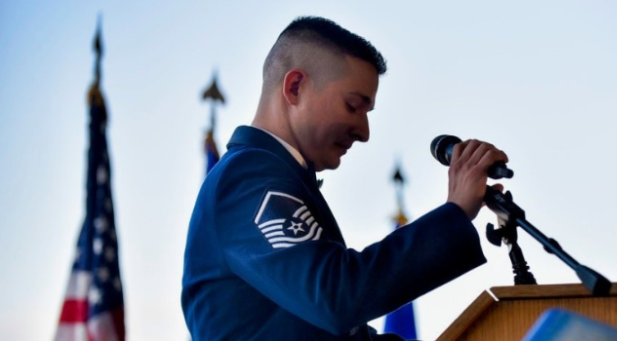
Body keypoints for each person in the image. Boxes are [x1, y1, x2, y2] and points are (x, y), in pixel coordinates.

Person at [181, 16, 508, 340]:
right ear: (295, 87)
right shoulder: (247, 179)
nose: (364, 132)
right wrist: (456, 212)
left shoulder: (275, 177)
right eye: (353, 106)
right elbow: (336, 296)